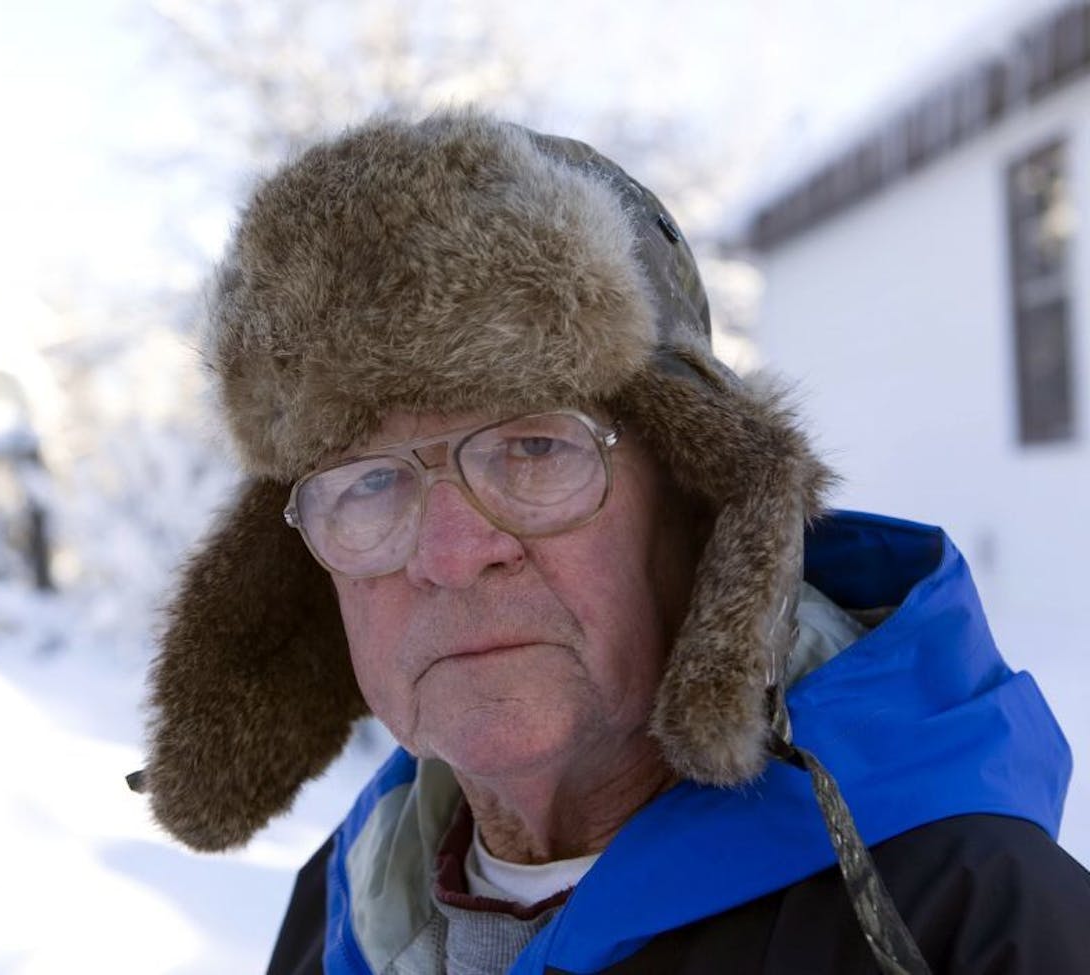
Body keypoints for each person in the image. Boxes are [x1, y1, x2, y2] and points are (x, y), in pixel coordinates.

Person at [133, 111, 1090, 973]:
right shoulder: (338, 911)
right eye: (370, 482)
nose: (454, 551)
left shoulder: (970, 924)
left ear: (696, 501)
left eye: (533, 448)